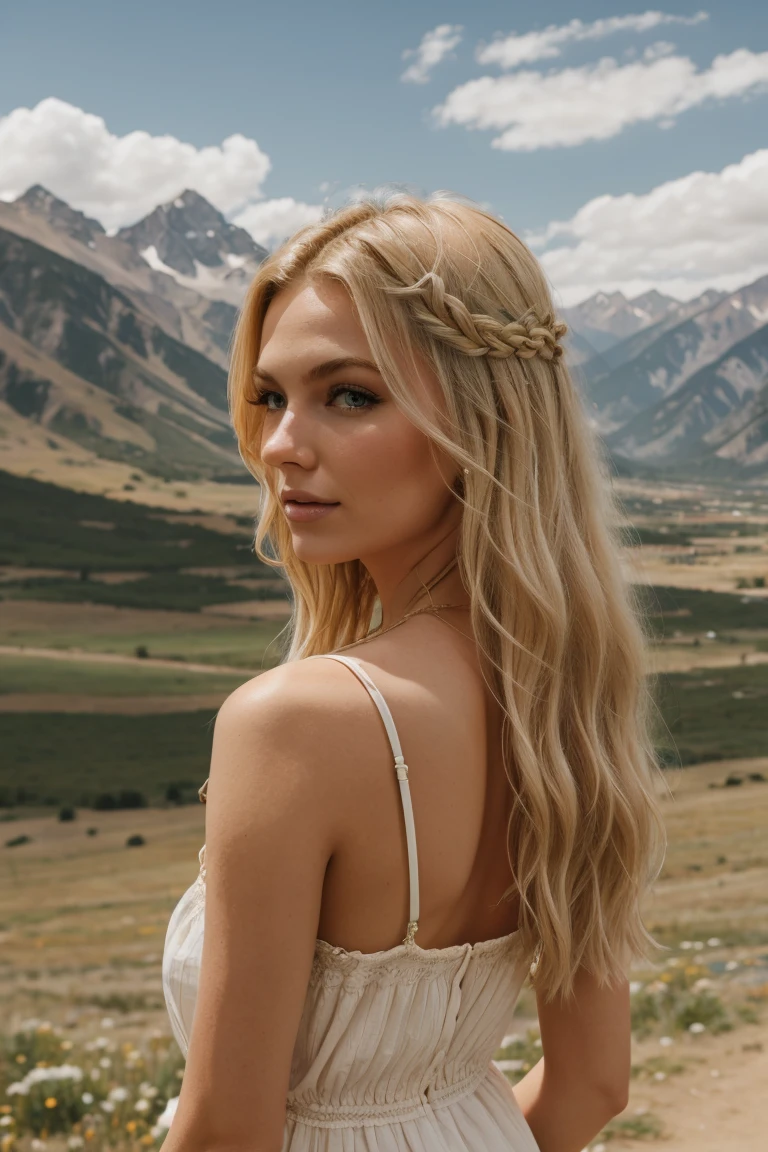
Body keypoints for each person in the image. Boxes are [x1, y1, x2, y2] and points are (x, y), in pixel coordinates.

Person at [162, 190, 666, 1152]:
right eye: (271, 395)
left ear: (486, 420)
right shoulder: (564, 702)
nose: (279, 446)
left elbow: (228, 1130)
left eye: (349, 395)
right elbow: (593, 1085)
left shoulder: (297, 720)